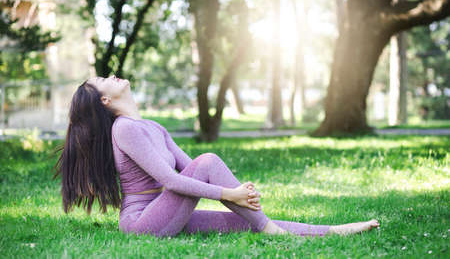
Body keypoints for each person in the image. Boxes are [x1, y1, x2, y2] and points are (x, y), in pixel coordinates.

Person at [53, 74, 380, 238]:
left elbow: (188, 168)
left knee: (240, 221)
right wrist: (230, 193)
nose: (111, 76)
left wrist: (237, 197)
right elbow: (172, 180)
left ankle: (332, 230)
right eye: (103, 81)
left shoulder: (151, 126)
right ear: (106, 101)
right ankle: (271, 230)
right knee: (209, 161)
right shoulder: (124, 129)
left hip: (166, 211)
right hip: (142, 222)